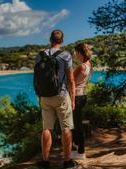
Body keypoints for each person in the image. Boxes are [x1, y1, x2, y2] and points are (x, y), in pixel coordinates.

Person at [35, 29, 77, 169]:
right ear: (62, 41)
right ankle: (67, 162)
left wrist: (39, 95)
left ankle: (45, 161)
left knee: (46, 128)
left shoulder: (40, 55)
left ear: (50, 39)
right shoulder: (66, 55)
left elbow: (37, 78)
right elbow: (71, 79)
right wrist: (73, 98)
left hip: (44, 96)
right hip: (61, 95)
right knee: (66, 128)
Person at [72, 43, 93, 160]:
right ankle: (78, 147)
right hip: (83, 96)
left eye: (76, 52)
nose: (75, 55)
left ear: (80, 53)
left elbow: (71, 81)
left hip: (77, 97)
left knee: (77, 125)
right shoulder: (89, 65)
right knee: (77, 123)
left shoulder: (81, 67)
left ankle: (81, 151)